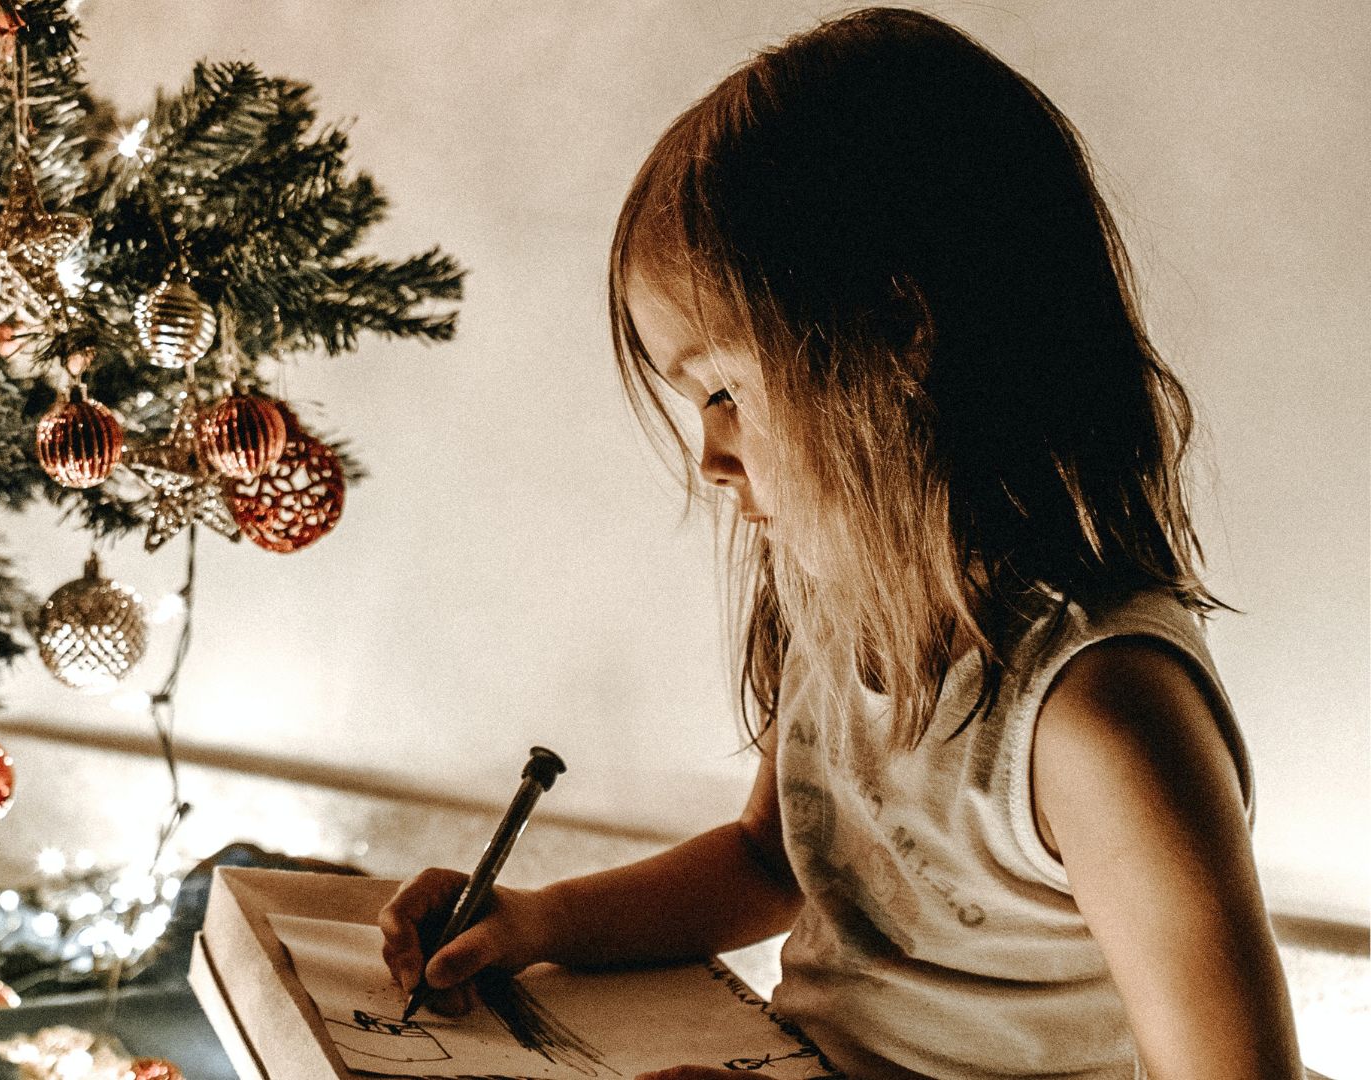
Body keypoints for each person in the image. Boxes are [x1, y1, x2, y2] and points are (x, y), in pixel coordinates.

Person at [379, 8, 1307, 1079]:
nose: (709, 459)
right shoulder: (838, 609)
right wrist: (541, 920)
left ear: (901, 333)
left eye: (725, 391)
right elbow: (768, 859)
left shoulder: (1099, 718)